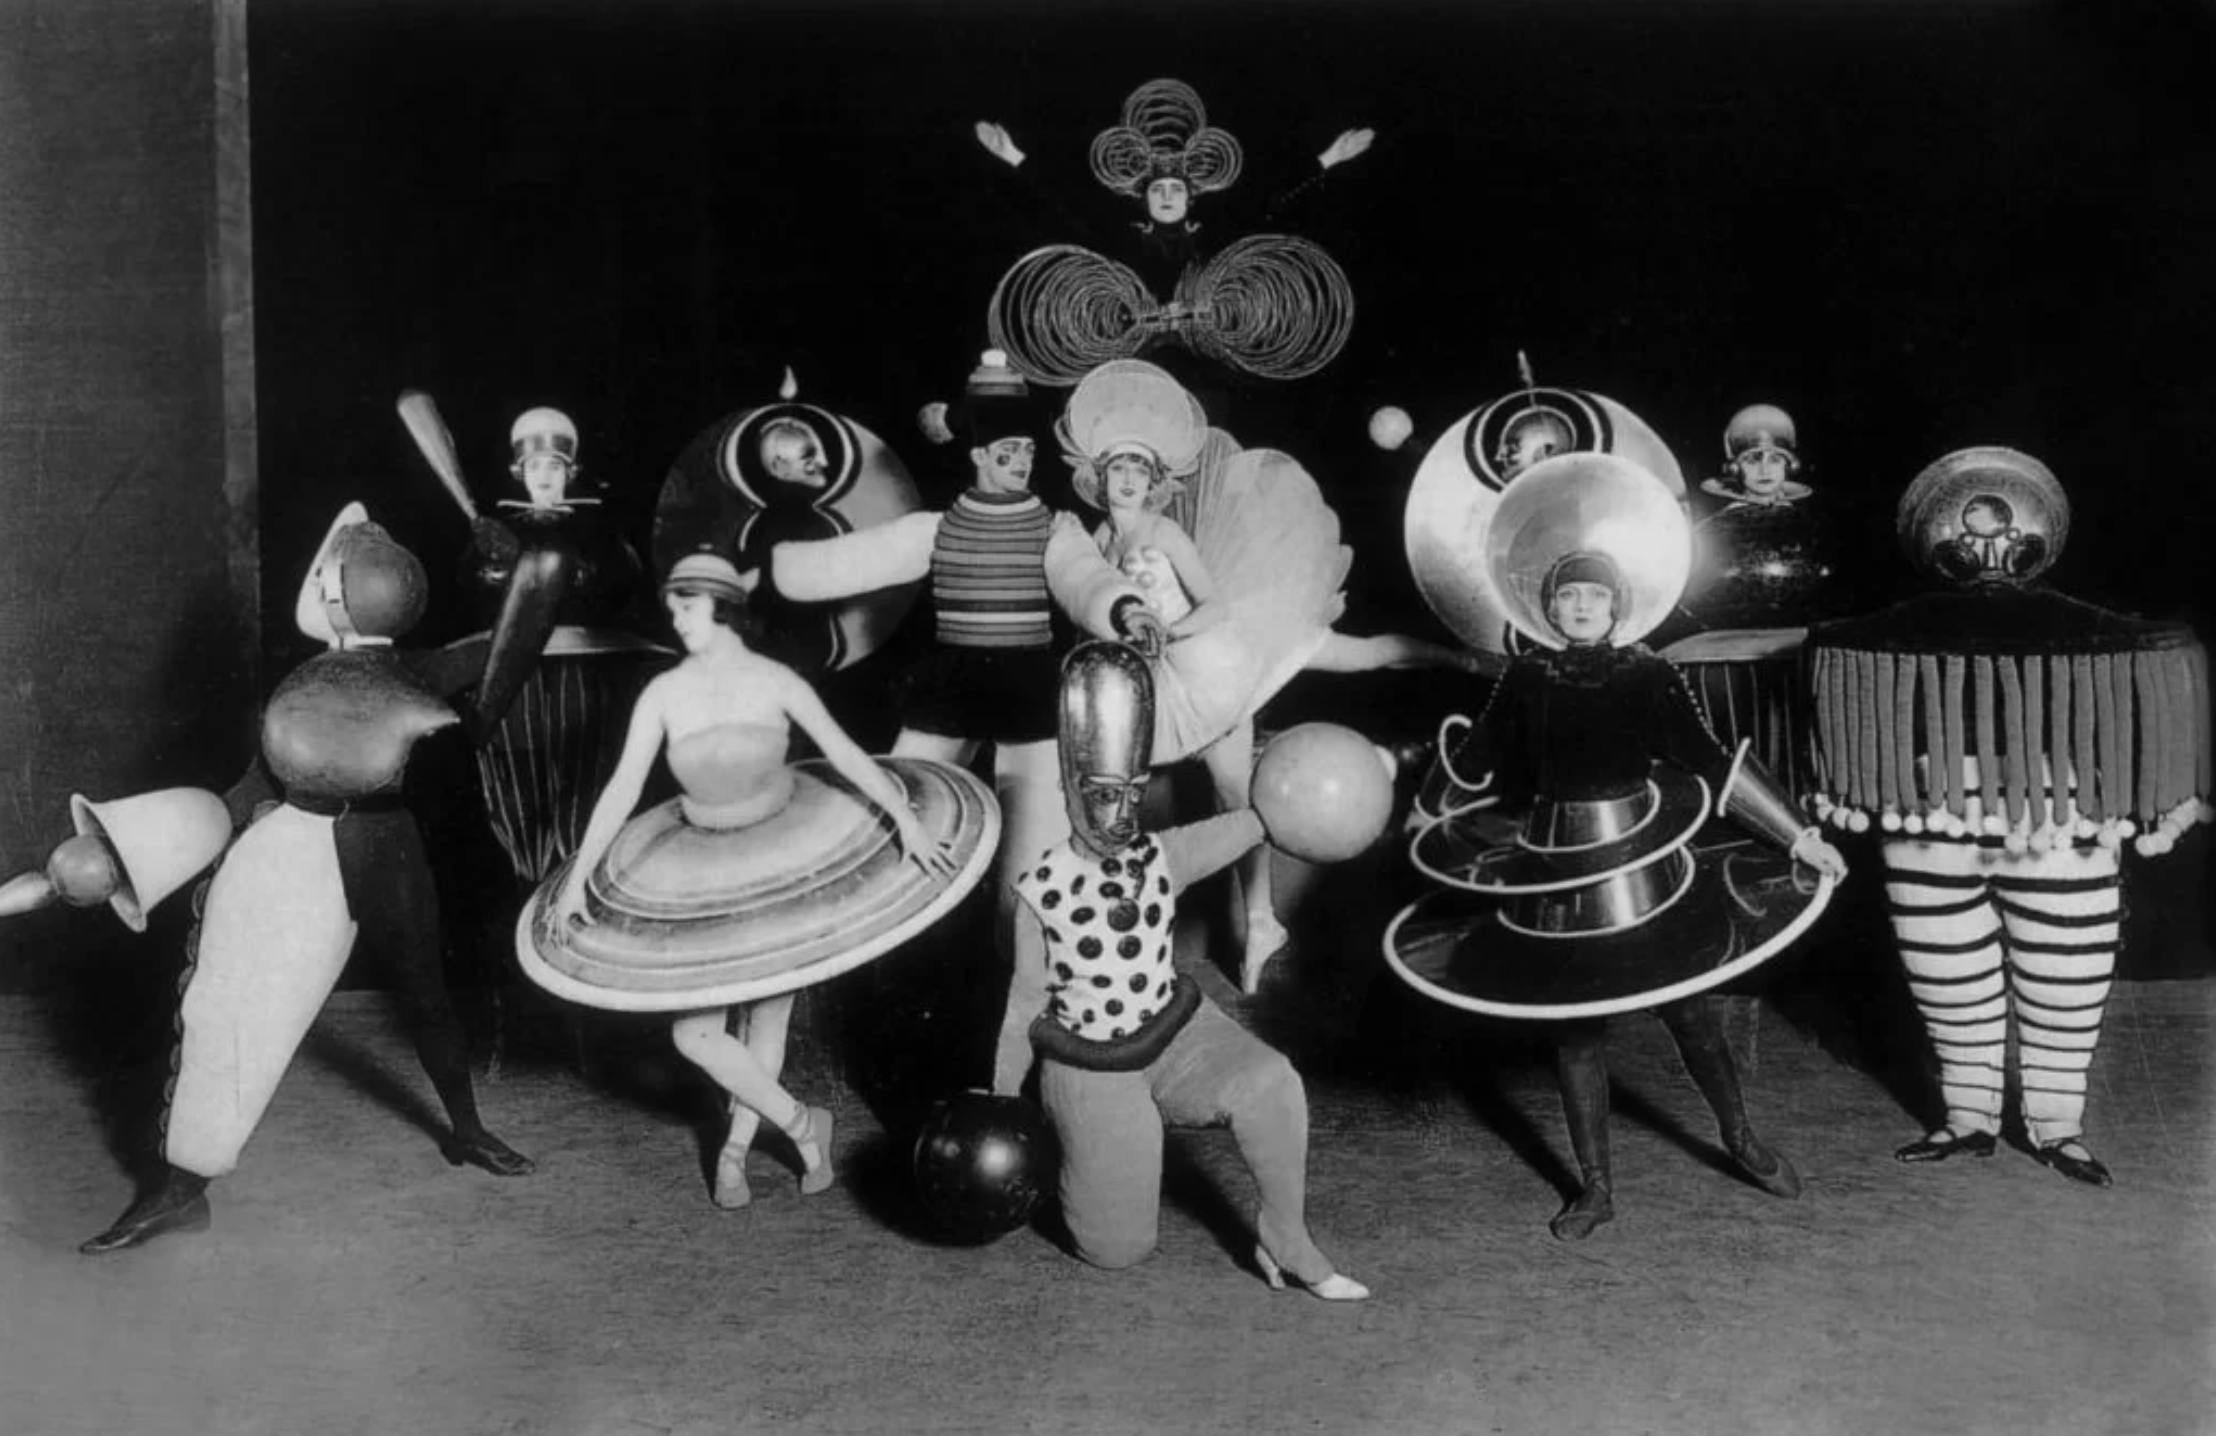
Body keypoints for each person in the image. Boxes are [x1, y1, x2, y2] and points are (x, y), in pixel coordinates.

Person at [1409, 455, 1846, 1240]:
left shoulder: (1649, 676)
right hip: (1555, 876)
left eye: (1594, 596)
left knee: (1692, 1016)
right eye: (1568, 596)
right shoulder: (1525, 678)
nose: (1581, 607)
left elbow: (1712, 761)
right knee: (1575, 1033)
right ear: (1548, 606)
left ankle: (1741, 1138)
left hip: (1646, 872)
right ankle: (1596, 1190)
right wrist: (1426, 804)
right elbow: (1474, 764)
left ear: (1616, 606)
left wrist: (1800, 835)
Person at [81, 504, 535, 1256]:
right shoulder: (303, 682)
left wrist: (523, 565)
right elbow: (251, 786)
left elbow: (516, 637)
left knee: (425, 994)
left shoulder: (423, 668)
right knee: (231, 1009)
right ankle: (182, 1187)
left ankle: (467, 1128)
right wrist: (139, 851)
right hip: (292, 838)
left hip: (383, 847)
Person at [1805, 447, 2208, 1187]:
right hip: (1931, 823)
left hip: (2054, 825)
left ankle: (2058, 1127)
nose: (1988, 549)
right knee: (1947, 985)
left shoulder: (1887, 636)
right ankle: (1969, 1118)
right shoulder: (1892, 631)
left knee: (2065, 987)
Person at [767, 352, 1166, 1093]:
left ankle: (1024, 1044)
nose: (1021, 463)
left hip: (1029, 703)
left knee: (1033, 877)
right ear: (977, 454)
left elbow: (1085, 578)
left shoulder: (1054, 529)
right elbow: (834, 566)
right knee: (893, 838)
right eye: (1007, 452)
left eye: (1027, 452)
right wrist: (767, 558)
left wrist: (1125, 610)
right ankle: (885, 1013)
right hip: (947, 695)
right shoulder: (934, 528)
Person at [544, 552, 962, 1206]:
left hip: (782, 853)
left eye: (687, 606)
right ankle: (801, 1125)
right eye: (673, 608)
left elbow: (846, 752)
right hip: (701, 863)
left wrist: (906, 821)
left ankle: (734, 1153)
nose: (678, 620)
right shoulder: (664, 693)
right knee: (694, 1033)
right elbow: (622, 787)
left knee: (766, 1020)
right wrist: (576, 878)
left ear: (722, 607)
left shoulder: (775, 680)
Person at [1064, 359, 1479, 991]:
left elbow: (1213, 605)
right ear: (1099, 476)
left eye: (1139, 471)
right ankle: (1256, 923)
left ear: (1153, 483)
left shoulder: (1163, 533)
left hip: (1217, 658)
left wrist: (1169, 633)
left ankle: (1463, 659)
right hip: (1166, 684)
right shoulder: (1099, 540)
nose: (1127, 480)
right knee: (1231, 796)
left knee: (1354, 658)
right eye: (1118, 468)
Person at [998, 639, 1367, 1298]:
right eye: (1102, 796)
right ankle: (1081, 1144)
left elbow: (1259, 822)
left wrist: (1324, 788)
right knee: (1116, 1251)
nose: (1120, 815)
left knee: (1271, 1082)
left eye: (1132, 796)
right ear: (1068, 789)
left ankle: (1285, 1237)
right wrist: (1001, 1104)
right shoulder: (1040, 892)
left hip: (1176, 1035)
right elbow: (1024, 1005)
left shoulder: (1160, 856)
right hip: (1092, 1066)